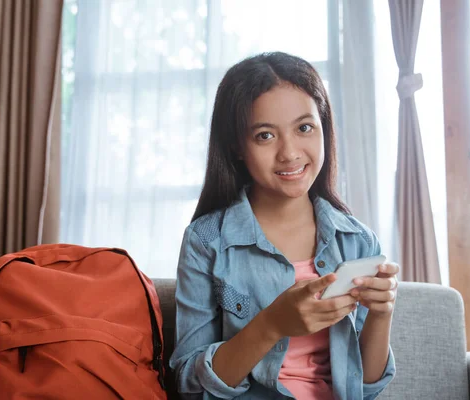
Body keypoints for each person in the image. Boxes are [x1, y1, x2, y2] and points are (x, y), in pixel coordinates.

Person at [169, 52, 398, 400]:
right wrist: (272, 324)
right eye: (265, 136)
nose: (289, 153)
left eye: (304, 128)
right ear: (236, 147)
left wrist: (381, 313)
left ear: (324, 128)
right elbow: (189, 386)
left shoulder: (357, 241)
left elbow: (368, 387)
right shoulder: (206, 242)